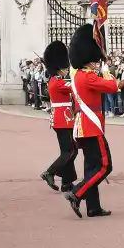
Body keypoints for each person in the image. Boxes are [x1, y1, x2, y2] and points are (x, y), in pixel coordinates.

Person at [63, 23, 124, 219]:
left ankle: (93, 207)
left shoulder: (79, 76)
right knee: (104, 166)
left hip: (83, 126)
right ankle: (77, 193)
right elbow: (111, 86)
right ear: (89, 59)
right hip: (91, 127)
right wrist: (108, 72)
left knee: (91, 167)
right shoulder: (87, 76)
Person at [40, 40, 78, 193]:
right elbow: (75, 87)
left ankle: (67, 183)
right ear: (58, 68)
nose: (66, 70)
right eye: (65, 68)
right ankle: (50, 172)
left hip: (63, 119)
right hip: (63, 120)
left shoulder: (56, 80)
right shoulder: (57, 83)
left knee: (69, 151)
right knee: (70, 151)